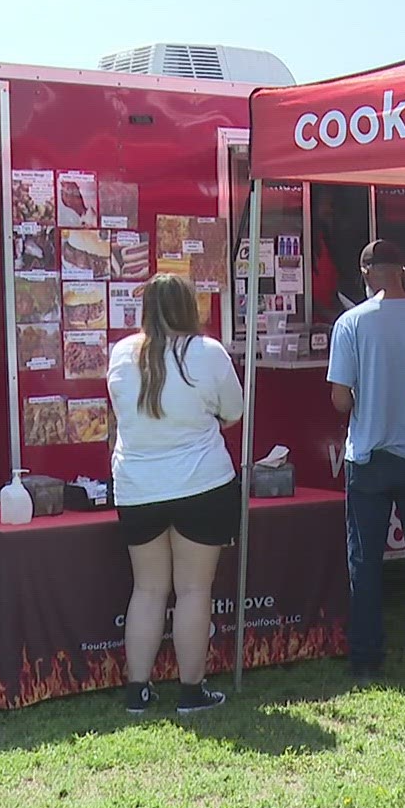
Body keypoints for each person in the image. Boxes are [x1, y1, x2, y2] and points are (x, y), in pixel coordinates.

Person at [107, 273, 245, 717]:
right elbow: (234, 411)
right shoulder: (207, 353)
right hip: (201, 483)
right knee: (192, 591)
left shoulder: (122, 353)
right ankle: (191, 691)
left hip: (137, 486)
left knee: (146, 590)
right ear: (191, 307)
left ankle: (138, 692)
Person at [328, 240, 405, 678]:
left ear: (365, 275)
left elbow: (340, 400)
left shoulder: (350, 324)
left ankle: (366, 657)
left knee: (365, 560)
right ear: (403, 270)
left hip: (369, 454)